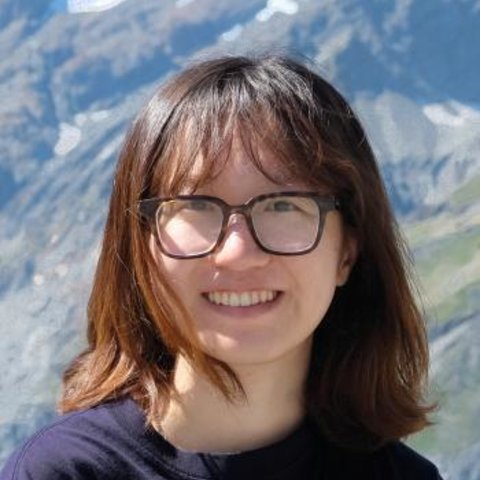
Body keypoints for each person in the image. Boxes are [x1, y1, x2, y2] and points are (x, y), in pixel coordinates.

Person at [0, 55, 443, 479]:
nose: (238, 251)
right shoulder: (60, 472)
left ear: (347, 251)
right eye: (195, 206)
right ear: (140, 247)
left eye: (283, 205)